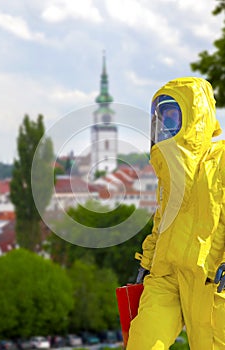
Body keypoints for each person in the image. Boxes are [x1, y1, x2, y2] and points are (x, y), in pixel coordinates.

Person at [126, 77, 225, 350]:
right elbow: (161, 222)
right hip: (165, 275)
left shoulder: (222, 161)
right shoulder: (169, 173)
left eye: (172, 115)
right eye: (161, 116)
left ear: (195, 116)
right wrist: (146, 264)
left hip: (210, 281)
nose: (165, 124)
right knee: (141, 344)